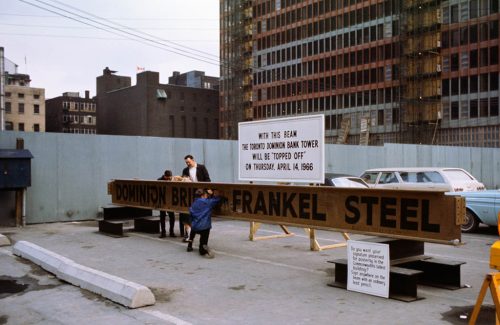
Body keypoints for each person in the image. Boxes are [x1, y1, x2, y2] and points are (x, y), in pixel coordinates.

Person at [179, 154, 211, 242]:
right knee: (186, 213)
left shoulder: (201, 167)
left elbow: (208, 180)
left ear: (193, 160)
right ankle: (188, 233)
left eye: (188, 162)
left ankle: (197, 231)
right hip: (190, 194)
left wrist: (204, 191)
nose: (187, 164)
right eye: (186, 162)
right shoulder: (185, 170)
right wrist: (184, 180)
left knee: (198, 213)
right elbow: (183, 181)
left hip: (200, 193)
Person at [187, 188, 221, 258]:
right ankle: (202, 248)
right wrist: (212, 194)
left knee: (194, 225)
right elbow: (217, 199)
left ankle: (190, 244)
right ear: (203, 195)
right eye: (206, 194)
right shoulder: (207, 202)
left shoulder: (193, 203)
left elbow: (191, 216)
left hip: (194, 226)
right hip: (204, 227)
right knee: (204, 236)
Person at [157, 170, 179, 238]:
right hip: (163, 201)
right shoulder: (159, 180)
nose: (168, 179)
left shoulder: (172, 180)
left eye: (170, 178)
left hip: (170, 201)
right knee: (162, 217)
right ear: (165, 176)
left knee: (172, 217)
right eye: (167, 178)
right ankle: (163, 232)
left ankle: (171, 232)